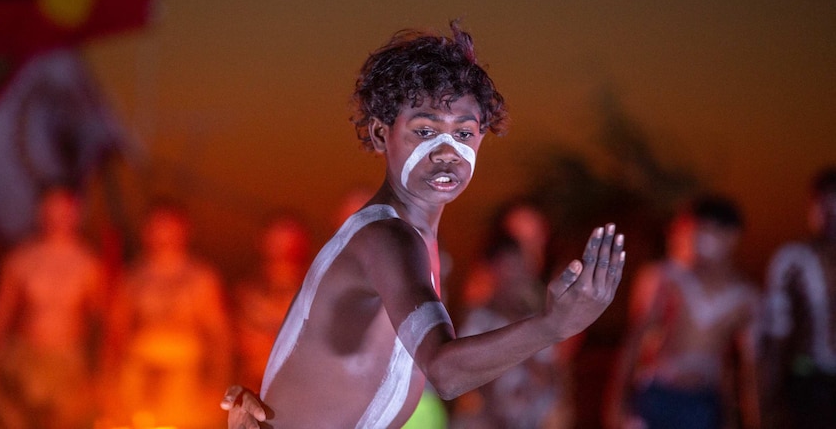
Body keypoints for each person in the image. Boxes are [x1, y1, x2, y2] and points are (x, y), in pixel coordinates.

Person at [221, 21, 626, 429]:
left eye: (464, 133)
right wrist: (554, 325)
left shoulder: (413, 238)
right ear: (381, 134)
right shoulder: (387, 238)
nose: (447, 152)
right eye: (426, 131)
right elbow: (445, 372)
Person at [603, 195, 760, 429]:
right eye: (695, 232)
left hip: (704, 404)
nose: (699, 241)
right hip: (656, 397)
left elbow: (748, 369)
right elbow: (634, 342)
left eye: (708, 233)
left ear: (731, 237)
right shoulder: (665, 278)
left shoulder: (745, 297)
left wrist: (749, 419)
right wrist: (616, 404)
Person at [0, 184, 105, 429]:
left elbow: (99, 320)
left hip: (68, 361)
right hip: (26, 359)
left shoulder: (88, 264)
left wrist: (97, 368)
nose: (58, 219)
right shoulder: (21, 259)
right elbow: (0, 314)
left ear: (76, 214)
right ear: (40, 213)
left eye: (65, 212)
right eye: (52, 211)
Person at [100, 198, 232, 429]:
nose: (164, 236)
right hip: (138, 374)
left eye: (170, 228)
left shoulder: (201, 278)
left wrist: (217, 382)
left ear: (184, 230)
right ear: (146, 232)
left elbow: (219, 336)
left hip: (185, 377)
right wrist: (108, 382)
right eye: (157, 228)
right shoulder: (133, 278)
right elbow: (115, 333)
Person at [451, 236, 576, 429]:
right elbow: (467, 376)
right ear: (492, 270)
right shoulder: (479, 320)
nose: (513, 276)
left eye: (518, 266)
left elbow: (551, 377)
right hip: (489, 418)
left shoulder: (538, 318)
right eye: (506, 268)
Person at [758, 166, 836, 429]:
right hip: (809, 382)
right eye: (824, 205)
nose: (831, 215)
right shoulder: (793, 260)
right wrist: (764, 405)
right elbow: (775, 337)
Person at [233, 211, 313, 388]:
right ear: (262, 242)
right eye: (276, 242)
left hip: (301, 389)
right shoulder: (248, 293)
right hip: (257, 388)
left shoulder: (316, 292)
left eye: (290, 243)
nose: (284, 250)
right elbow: (245, 343)